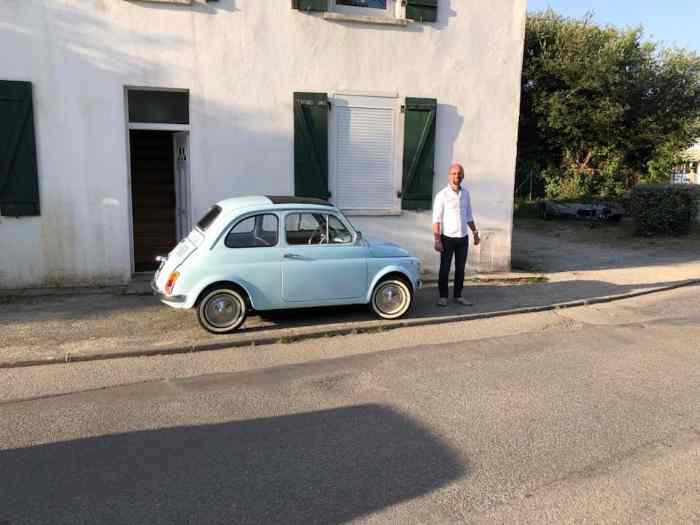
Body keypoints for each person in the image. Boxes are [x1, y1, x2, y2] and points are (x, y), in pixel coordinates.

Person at [432, 163, 480, 307]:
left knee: (460, 269)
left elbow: (469, 216)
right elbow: (437, 219)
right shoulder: (442, 195)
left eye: (459, 174)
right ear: (449, 176)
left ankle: (458, 295)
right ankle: (443, 297)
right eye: (453, 173)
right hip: (447, 238)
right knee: (445, 268)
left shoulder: (466, 194)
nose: (456, 176)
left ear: (463, 176)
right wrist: (437, 239)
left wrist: (475, 233)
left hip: (463, 238)